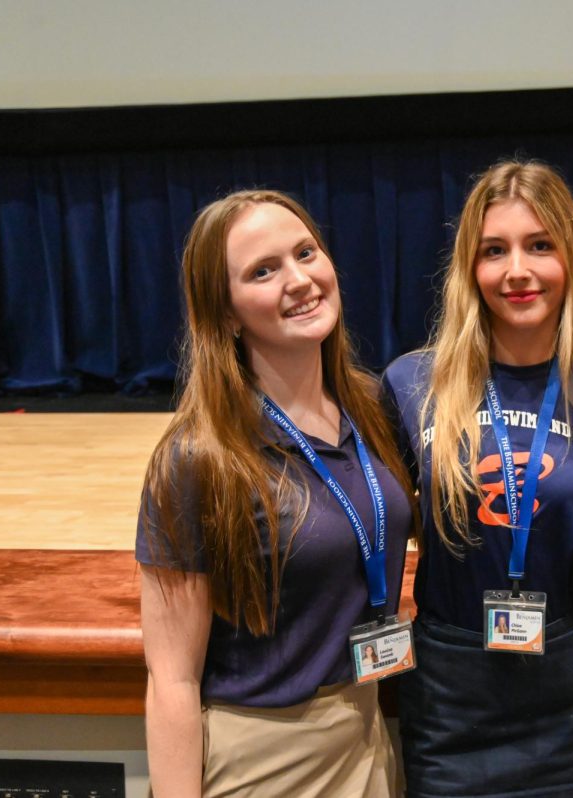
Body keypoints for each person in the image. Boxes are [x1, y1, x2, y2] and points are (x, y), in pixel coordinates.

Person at [136, 189, 414, 797]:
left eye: (306, 253)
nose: (299, 280)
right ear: (227, 313)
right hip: (265, 759)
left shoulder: (369, 409)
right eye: (263, 271)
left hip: (366, 734)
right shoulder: (196, 457)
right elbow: (172, 679)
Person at [382, 159, 573, 798]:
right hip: (449, 691)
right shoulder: (412, 386)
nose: (517, 270)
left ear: (572, 260)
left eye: (539, 246)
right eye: (495, 250)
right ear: (471, 268)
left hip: (568, 694)